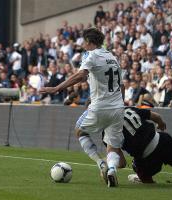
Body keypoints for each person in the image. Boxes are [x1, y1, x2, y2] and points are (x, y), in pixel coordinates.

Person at [40, 27, 125, 187]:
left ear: (89, 42)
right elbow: (122, 85)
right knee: (113, 145)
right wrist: (121, 104)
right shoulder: (112, 57)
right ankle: (112, 169)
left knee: (80, 131)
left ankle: (100, 163)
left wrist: (57, 88)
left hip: (100, 106)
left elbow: (80, 75)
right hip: (118, 107)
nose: (83, 45)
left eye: (84, 42)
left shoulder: (92, 56)